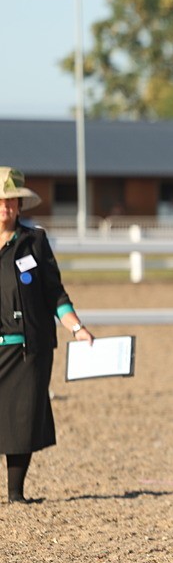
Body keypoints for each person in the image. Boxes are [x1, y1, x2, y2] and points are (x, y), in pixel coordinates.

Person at [0, 168, 94, 504]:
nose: (6, 207)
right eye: (0, 201)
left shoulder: (34, 242)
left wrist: (76, 328)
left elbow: (55, 292)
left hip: (30, 350)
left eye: (12, 201)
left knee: (22, 418)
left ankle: (16, 493)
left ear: (20, 206)